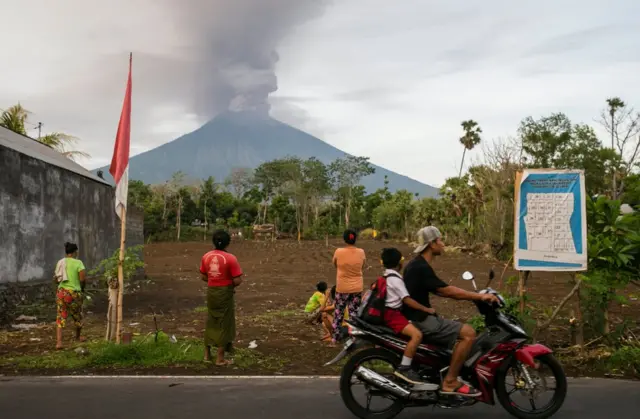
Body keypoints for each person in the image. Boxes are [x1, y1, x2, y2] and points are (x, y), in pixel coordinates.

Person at [402, 226, 500, 397]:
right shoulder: (421, 267)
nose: (443, 243)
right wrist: (477, 297)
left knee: (453, 330)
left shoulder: (416, 264)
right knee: (468, 333)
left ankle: (443, 370)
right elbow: (446, 290)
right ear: (431, 244)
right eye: (440, 240)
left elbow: (440, 288)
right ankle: (450, 381)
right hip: (421, 319)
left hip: (416, 316)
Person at [379, 248, 439, 388]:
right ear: (400, 263)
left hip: (390, 314)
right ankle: (405, 369)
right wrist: (426, 309)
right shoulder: (396, 280)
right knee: (417, 335)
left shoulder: (385, 277)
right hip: (393, 315)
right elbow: (407, 300)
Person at [199, 230, 243, 366]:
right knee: (224, 323)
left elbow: (203, 276)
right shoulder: (230, 258)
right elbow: (237, 280)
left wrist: (214, 280)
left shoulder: (206, 256)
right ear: (227, 243)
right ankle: (220, 358)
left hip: (211, 291)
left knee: (211, 320)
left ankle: (207, 355)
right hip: (224, 293)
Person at [331, 229, 366, 344]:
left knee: (338, 313)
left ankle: (335, 338)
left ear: (344, 239)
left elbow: (335, 264)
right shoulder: (361, 252)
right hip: (357, 288)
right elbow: (362, 266)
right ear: (355, 239)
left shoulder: (338, 251)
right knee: (354, 314)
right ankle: (354, 338)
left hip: (342, 288)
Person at [53, 242, 87, 350]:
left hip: (61, 292)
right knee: (77, 315)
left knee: (60, 316)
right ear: (74, 252)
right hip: (73, 293)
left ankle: (59, 343)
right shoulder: (78, 263)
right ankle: (78, 336)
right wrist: (82, 289)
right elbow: (82, 279)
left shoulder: (60, 262)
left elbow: (56, 279)